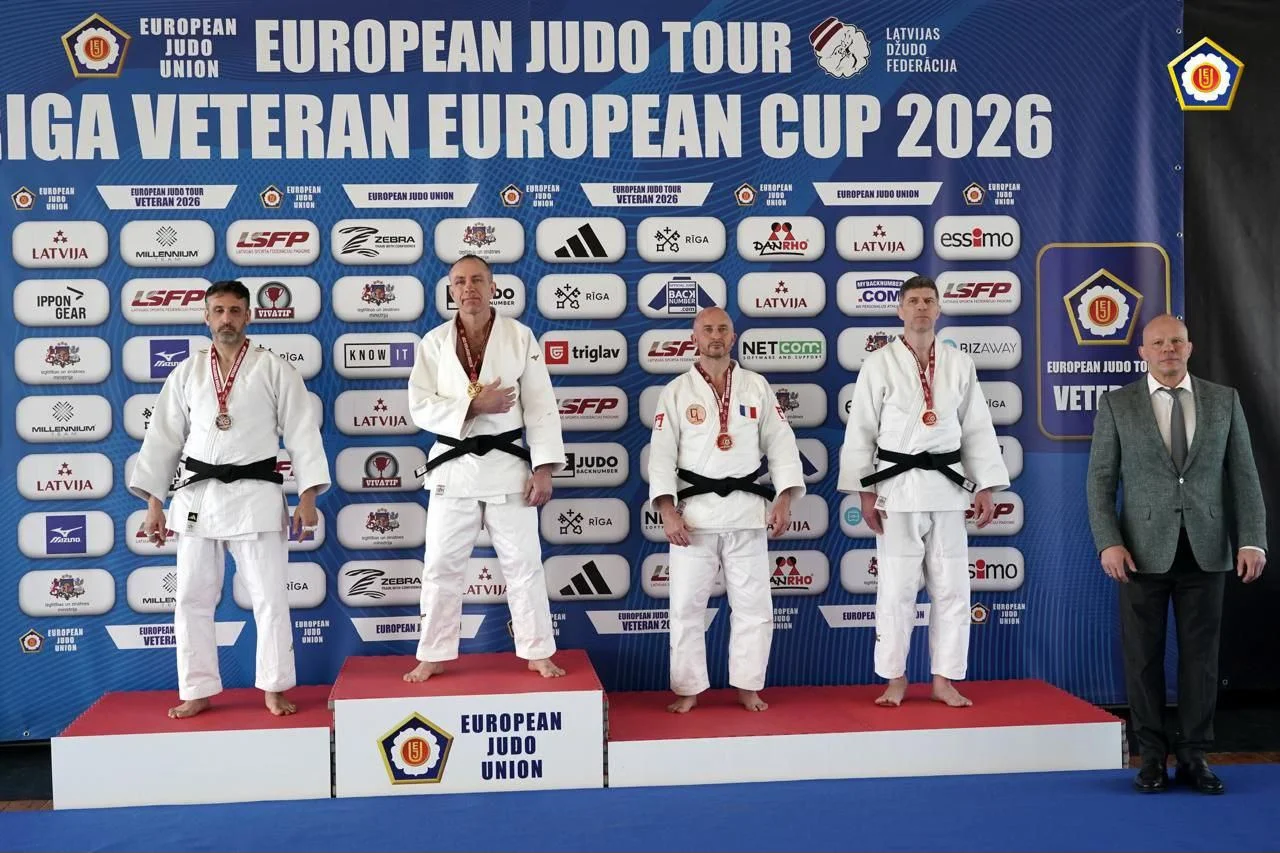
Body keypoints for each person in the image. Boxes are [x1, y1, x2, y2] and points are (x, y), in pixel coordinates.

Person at [130, 280, 330, 718]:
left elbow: (302, 433)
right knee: (191, 598)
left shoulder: (274, 369)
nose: (226, 319)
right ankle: (197, 688)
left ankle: (274, 686)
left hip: (256, 496)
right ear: (206, 317)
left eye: (235, 311)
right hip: (198, 497)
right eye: (218, 311)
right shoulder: (187, 372)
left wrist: (308, 496)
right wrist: (154, 504)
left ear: (249, 316)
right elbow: (163, 439)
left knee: (270, 598)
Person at [1087, 313, 1266, 795]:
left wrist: (1252, 539)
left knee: (1201, 660)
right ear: (1143, 353)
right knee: (1142, 659)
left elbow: (1244, 476)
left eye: (1176, 341)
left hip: (1208, 550)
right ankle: (1150, 758)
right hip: (1139, 553)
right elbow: (1100, 481)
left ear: (1190, 348)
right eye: (1158, 343)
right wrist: (1108, 541)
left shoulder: (1224, 400)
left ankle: (1194, 755)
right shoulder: (1117, 404)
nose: (1168, 349)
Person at [838, 275, 1008, 708]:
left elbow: (976, 428)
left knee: (952, 589)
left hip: (948, 490)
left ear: (938, 309)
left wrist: (986, 485)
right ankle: (895, 678)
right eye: (913, 301)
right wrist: (864, 491)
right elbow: (861, 431)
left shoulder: (959, 363)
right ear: (900, 310)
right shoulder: (879, 363)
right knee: (896, 590)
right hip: (897, 489)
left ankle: (943, 679)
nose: (920, 308)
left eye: (928, 301)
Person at [404, 255, 565, 682]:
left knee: (524, 565)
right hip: (453, 469)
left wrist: (544, 468)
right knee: (440, 565)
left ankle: (537, 650)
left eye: (477, 280)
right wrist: (474, 405)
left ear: (493, 287)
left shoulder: (519, 337)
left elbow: (541, 406)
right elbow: (419, 406)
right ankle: (434, 652)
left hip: (508, 467)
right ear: (451, 290)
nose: (468, 288)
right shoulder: (434, 343)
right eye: (460, 281)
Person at [648, 306, 805, 713]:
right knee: (686, 607)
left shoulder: (756, 386)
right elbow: (661, 456)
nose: (715, 336)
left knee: (754, 607)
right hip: (694, 517)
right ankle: (688, 688)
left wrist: (784, 498)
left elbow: (782, 443)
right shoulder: (677, 391)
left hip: (747, 512)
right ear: (694, 339)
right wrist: (667, 510)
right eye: (707, 330)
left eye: (722, 329)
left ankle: (748, 686)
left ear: (733, 337)